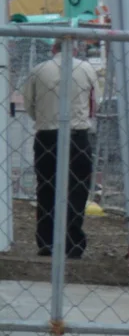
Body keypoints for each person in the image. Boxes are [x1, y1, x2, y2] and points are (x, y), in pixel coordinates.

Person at [23, 39, 103, 259]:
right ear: (75, 50)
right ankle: (73, 242)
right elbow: (96, 102)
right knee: (76, 190)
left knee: (46, 189)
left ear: (53, 49)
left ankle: (46, 242)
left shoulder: (38, 70)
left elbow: (29, 104)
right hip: (77, 136)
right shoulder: (86, 68)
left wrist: (44, 119)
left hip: (47, 136)